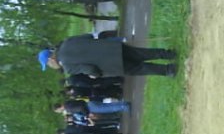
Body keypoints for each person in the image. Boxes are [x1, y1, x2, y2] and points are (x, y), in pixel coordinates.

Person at [39, 34, 177, 77]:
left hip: (111, 65)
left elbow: (89, 68)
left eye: (48, 64)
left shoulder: (68, 67)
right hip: (111, 47)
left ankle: (168, 70)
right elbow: (88, 36)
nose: (51, 66)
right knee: (141, 53)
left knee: (140, 68)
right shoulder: (66, 42)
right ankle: (168, 54)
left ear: (51, 59)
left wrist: (95, 75)